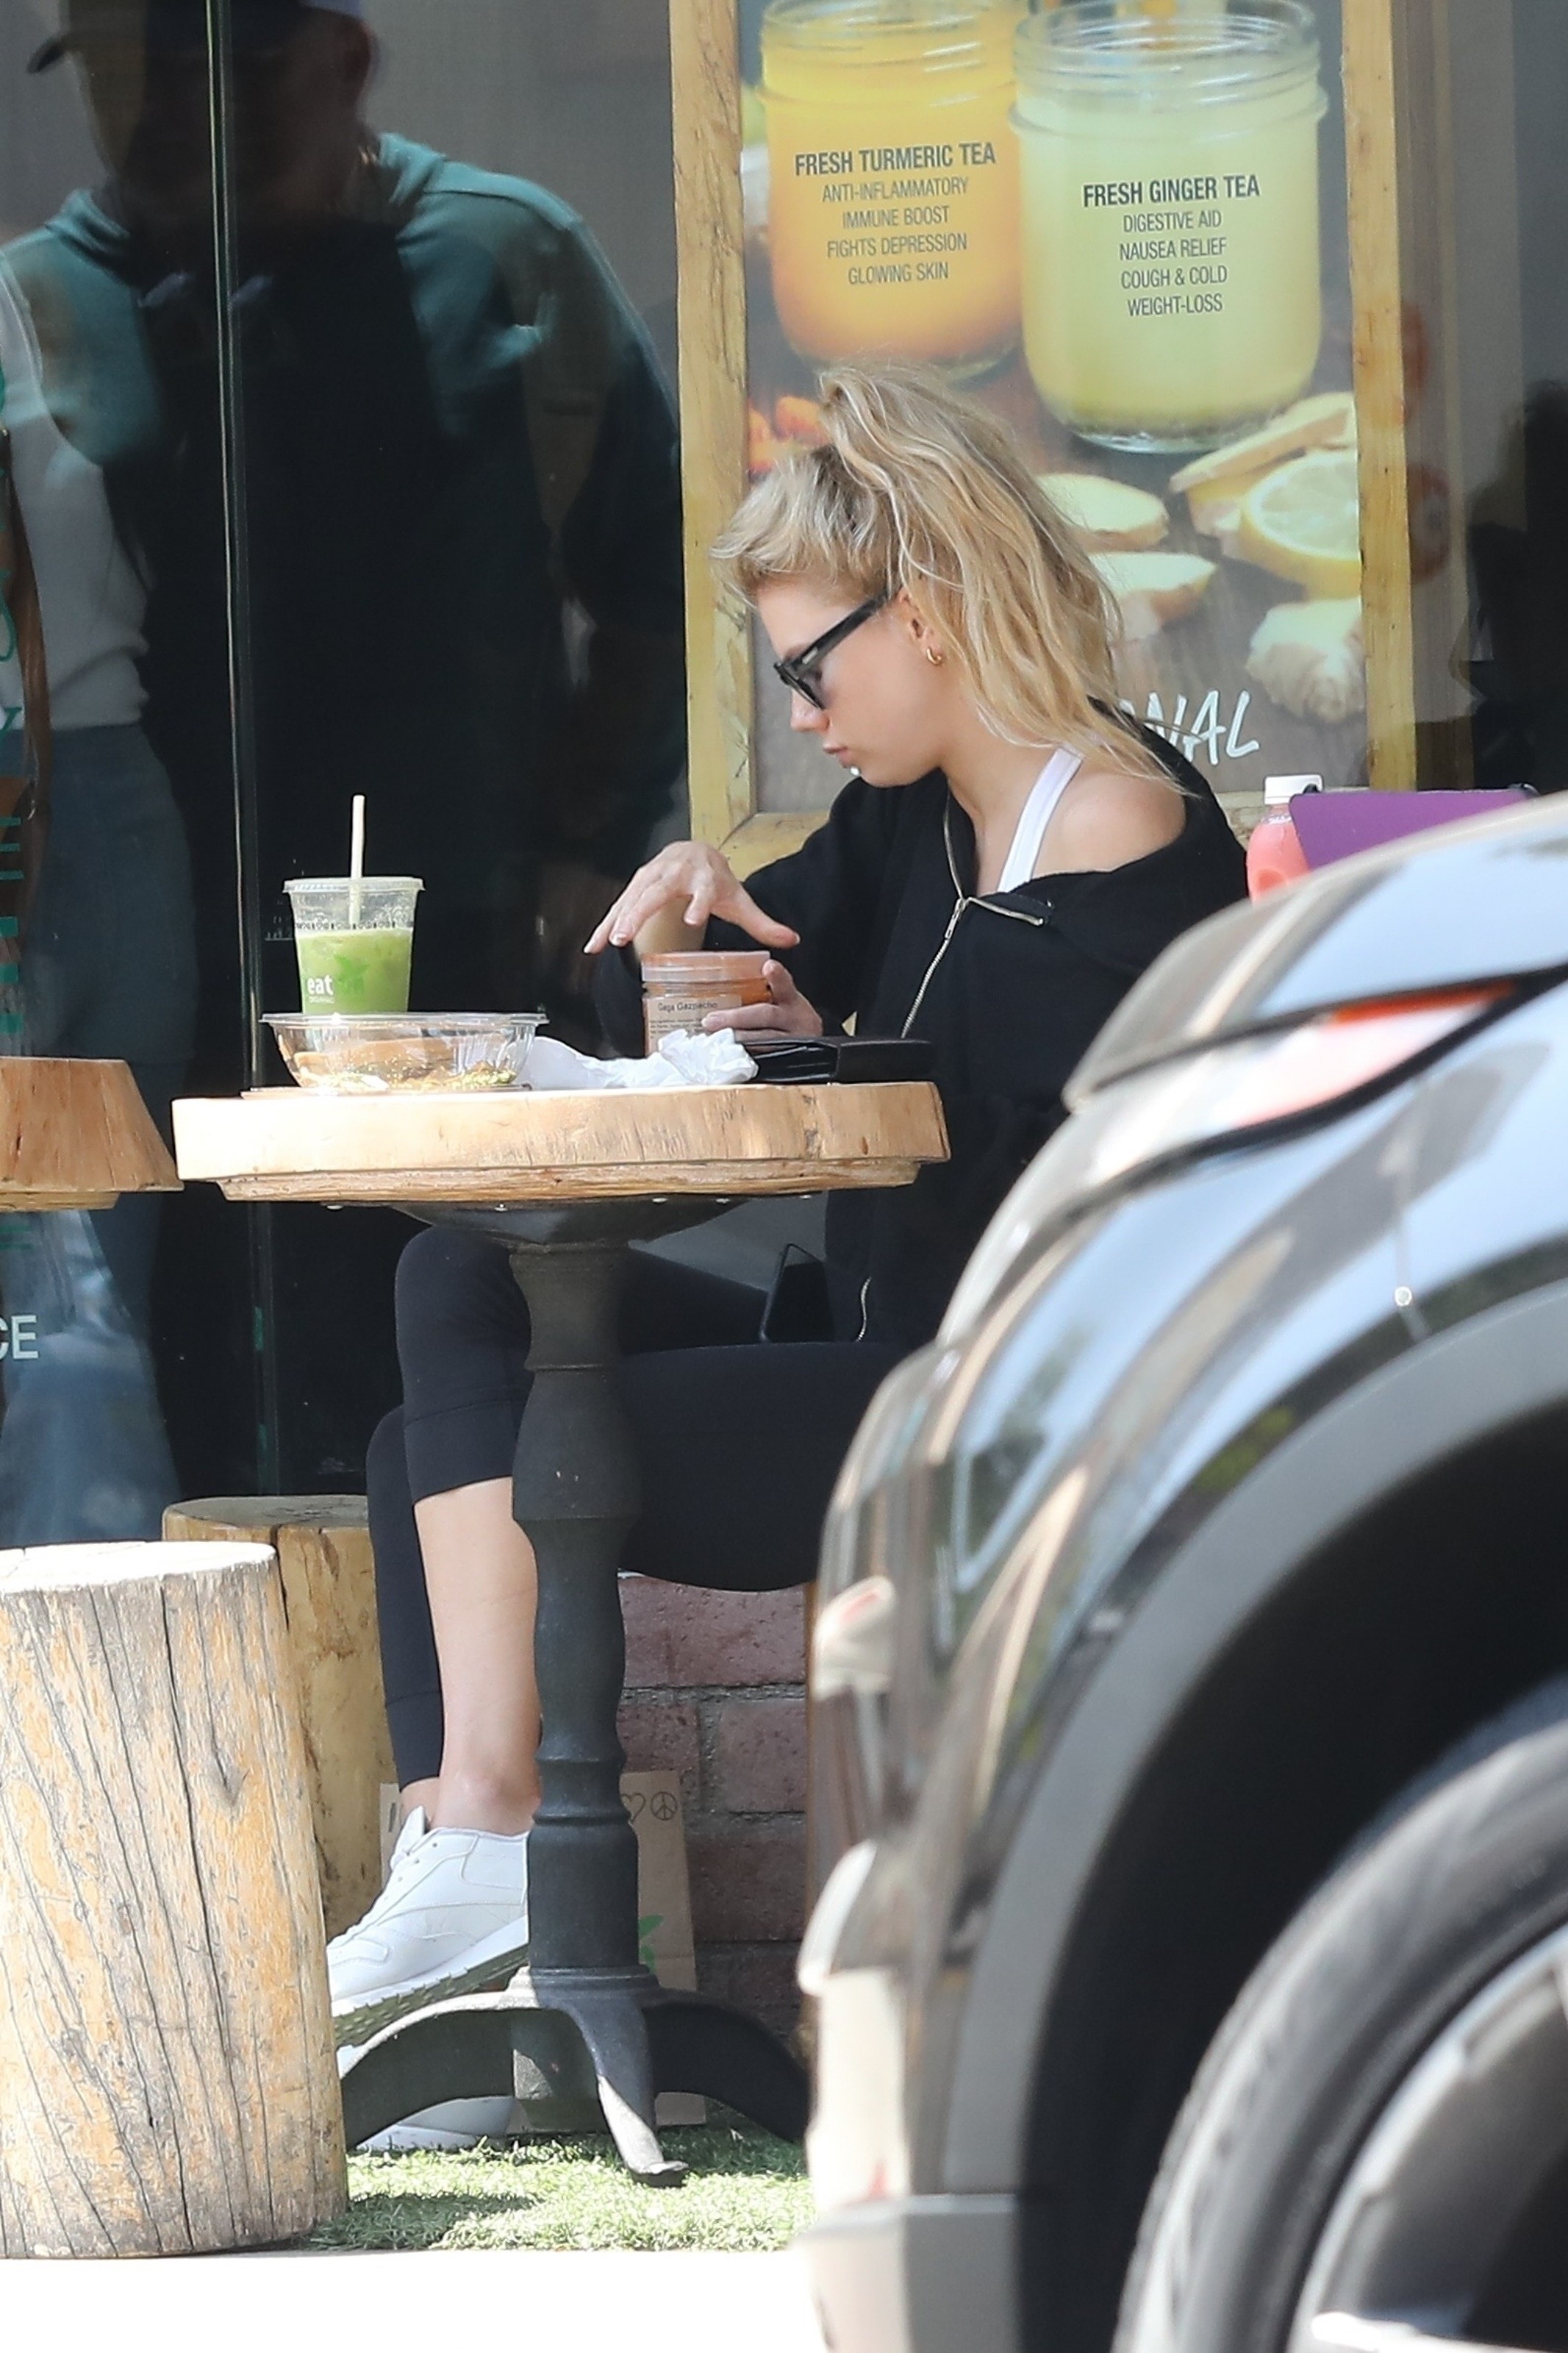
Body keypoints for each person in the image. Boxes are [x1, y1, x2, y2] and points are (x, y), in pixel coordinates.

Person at [331, 364, 1248, 2075]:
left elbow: (1033, 1183)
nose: (806, 714)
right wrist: (692, 923)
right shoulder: (912, 816)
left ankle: (490, 1836)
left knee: (492, 1437)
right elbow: (742, 1003)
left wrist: (827, 1053)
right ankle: (481, 1828)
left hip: (993, 1400)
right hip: (863, 1336)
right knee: (454, 1291)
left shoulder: (1126, 838)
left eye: (812, 668)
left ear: (933, 608)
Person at [11, 0, 687, 1493]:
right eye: (133, 77)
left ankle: (440, 1605)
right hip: (165, 902)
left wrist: (584, 841)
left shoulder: (500, 253)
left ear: (344, 57)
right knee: (168, 1293)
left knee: (435, 1283)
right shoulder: (54, 293)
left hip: (451, 889)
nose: (177, 112)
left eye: (227, 72)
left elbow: (652, 580)